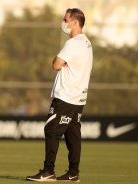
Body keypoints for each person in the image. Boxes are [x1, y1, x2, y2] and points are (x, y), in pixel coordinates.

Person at [26, 8, 93, 182]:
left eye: (66, 20)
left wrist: (62, 63)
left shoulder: (73, 43)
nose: (63, 23)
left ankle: (48, 171)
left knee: (51, 130)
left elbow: (56, 64)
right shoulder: (87, 43)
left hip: (66, 96)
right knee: (73, 136)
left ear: (75, 22)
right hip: (78, 97)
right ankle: (73, 173)